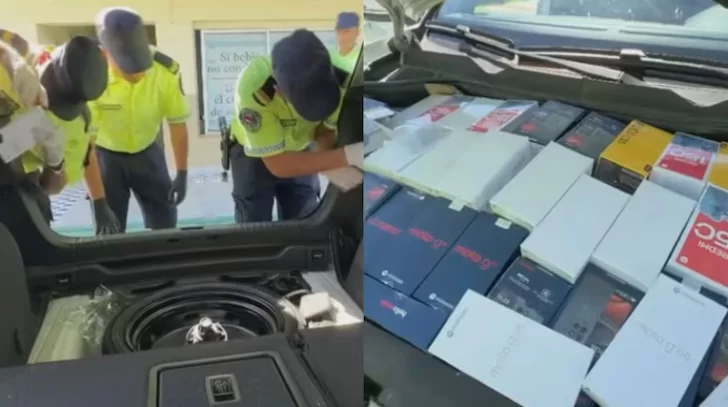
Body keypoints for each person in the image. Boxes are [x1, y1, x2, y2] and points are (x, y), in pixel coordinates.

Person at [229, 29, 363, 223]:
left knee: (304, 218)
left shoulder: (343, 75)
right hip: (253, 154)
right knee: (254, 222)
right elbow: (279, 164)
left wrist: (327, 160)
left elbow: (324, 131)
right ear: (279, 91)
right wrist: (347, 156)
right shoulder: (254, 88)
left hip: (302, 146)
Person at [90, 7, 189, 232]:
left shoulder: (165, 71)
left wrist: (182, 173)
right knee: (109, 231)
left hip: (148, 151)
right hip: (106, 156)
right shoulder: (93, 77)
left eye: (140, 65)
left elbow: (177, 124)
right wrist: (98, 201)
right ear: (105, 54)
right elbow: (87, 147)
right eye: (127, 67)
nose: (137, 75)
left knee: (165, 225)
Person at [20, 36, 121, 234]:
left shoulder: (69, 128)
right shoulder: (26, 54)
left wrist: (55, 163)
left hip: (17, 191)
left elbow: (52, 186)